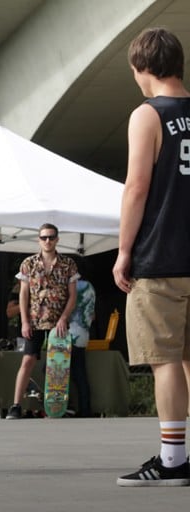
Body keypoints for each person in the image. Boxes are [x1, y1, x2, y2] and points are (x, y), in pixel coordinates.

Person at [112, 27, 190, 486]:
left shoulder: (147, 115)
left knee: (165, 362)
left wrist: (124, 252)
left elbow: (136, 187)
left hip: (161, 259)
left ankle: (173, 459)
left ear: (142, 68)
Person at [6, 223, 78, 420]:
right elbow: (23, 294)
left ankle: (57, 404)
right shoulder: (28, 264)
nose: (48, 240)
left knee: (58, 364)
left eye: (51, 237)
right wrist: (24, 321)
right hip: (36, 320)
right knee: (28, 360)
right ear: (38, 239)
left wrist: (64, 317)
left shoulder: (68, 264)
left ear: (57, 239)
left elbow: (73, 296)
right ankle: (16, 405)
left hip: (58, 322)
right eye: (44, 237)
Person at [68, 265, 95, 418]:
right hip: (84, 332)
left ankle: (68, 406)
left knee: (56, 370)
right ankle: (85, 408)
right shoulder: (90, 287)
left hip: (72, 332)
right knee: (80, 373)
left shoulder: (75, 286)